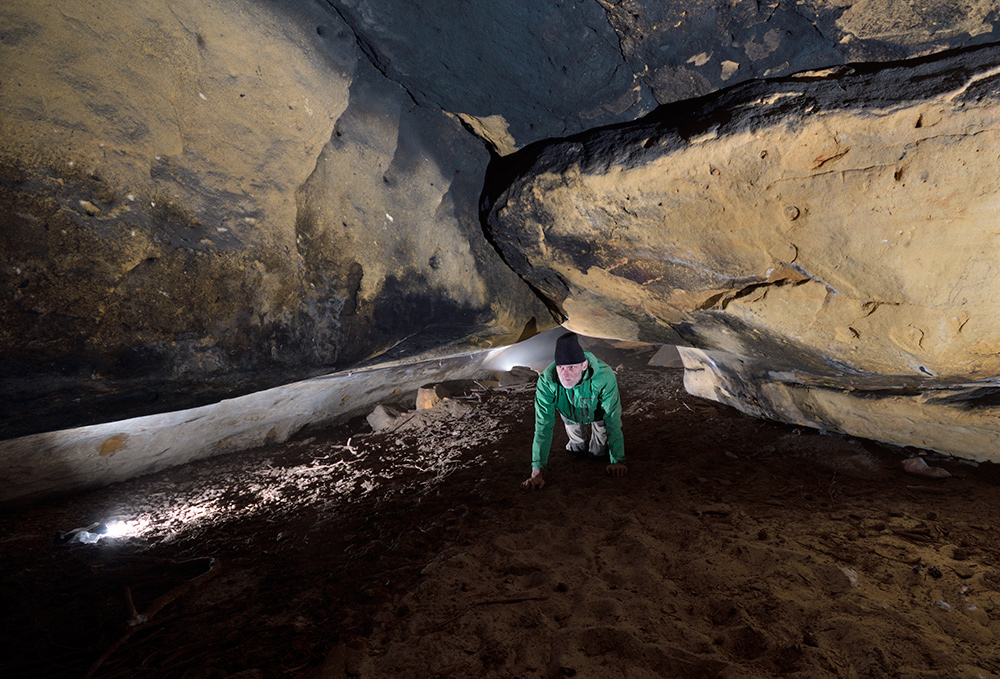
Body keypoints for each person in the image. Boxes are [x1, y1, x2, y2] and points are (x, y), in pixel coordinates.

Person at [521, 332, 627, 490]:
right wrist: (537, 470)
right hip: (570, 414)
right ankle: (577, 442)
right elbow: (543, 424)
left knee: (599, 453)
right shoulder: (547, 382)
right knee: (577, 450)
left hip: (597, 414)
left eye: (571, 367)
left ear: (584, 366)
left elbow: (612, 416)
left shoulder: (604, 376)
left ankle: (597, 443)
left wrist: (617, 460)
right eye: (561, 368)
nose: (565, 374)